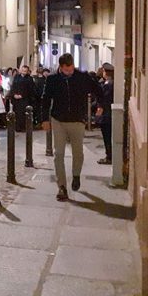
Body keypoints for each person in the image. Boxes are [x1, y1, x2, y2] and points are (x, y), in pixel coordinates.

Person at [41, 53, 103, 201]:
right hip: (59, 120)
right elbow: (45, 99)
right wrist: (45, 119)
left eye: (71, 69)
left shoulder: (82, 77)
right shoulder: (52, 80)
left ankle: (76, 175)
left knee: (78, 153)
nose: (69, 72)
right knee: (59, 154)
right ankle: (61, 186)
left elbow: (98, 89)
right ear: (61, 67)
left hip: (77, 120)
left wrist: (100, 105)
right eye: (66, 69)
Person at [10, 65, 36, 132]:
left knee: (23, 113)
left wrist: (22, 95)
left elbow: (30, 89)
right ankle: (17, 127)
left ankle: (23, 127)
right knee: (17, 113)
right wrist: (14, 94)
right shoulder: (16, 77)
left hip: (25, 99)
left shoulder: (29, 79)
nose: (24, 72)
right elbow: (13, 87)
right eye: (23, 70)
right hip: (16, 99)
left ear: (27, 71)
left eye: (25, 71)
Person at [97, 63, 114, 164]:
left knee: (107, 136)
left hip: (107, 114)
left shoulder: (108, 85)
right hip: (109, 113)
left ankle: (109, 156)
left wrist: (99, 111)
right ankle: (109, 155)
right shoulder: (111, 83)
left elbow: (103, 99)